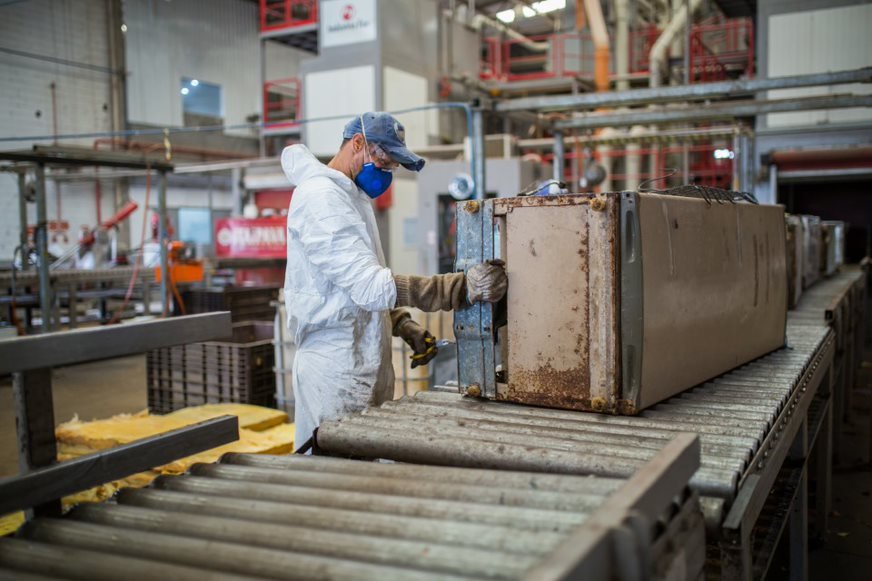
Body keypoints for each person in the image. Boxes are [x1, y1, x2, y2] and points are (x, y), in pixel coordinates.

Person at [281, 112, 507, 448]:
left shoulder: (352, 198)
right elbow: (370, 286)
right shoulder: (321, 198)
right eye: (385, 162)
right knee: (335, 479)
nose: (389, 173)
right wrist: (458, 288)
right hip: (337, 371)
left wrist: (401, 324)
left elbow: (352, 286)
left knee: (365, 470)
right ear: (358, 144)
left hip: (362, 357)